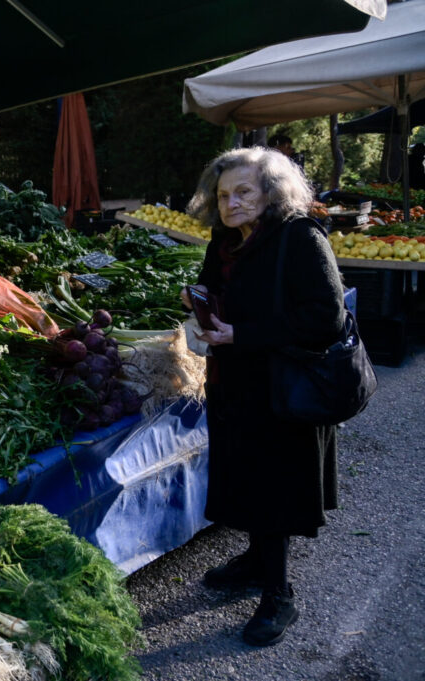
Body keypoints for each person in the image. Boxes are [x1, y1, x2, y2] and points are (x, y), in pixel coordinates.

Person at [180, 147, 346, 647]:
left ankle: (279, 595)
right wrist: (197, 306)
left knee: (276, 489)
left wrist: (243, 334)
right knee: (246, 478)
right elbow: (212, 287)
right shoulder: (225, 240)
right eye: (224, 195)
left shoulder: (299, 237)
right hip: (235, 384)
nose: (231, 203)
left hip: (285, 387)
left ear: (272, 191)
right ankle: (254, 562)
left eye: (244, 192)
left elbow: (326, 317)